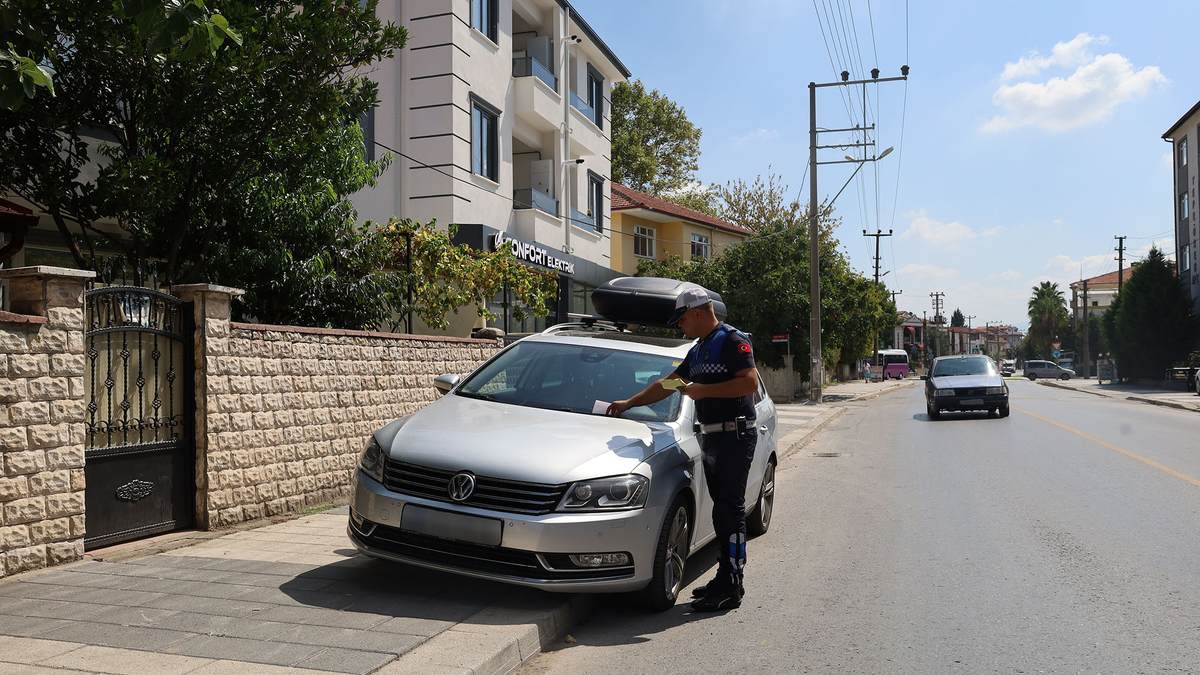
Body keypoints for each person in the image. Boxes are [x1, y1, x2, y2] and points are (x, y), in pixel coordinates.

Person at [607, 287, 758, 612]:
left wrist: (705, 390)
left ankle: (733, 587)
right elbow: (671, 383)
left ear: (698, 313)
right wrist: (629, 403)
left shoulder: (731, 340)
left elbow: (749, 382)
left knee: (729, 512)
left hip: (735, 436)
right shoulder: (700, 348)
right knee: (721, 511)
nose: (680, 326)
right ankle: (723, 578)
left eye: (682, 319)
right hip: (714, 439)